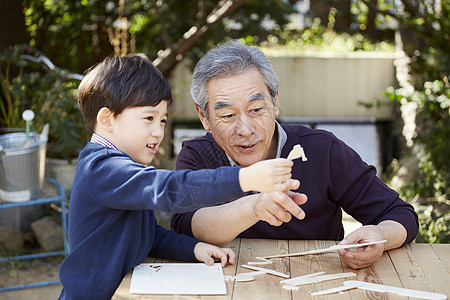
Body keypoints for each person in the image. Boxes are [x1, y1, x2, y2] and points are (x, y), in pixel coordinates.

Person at [58, 55, 297, 299]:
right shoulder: (103, 169)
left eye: (162, 120)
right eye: (149, 118)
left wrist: (193, 248)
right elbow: (170, 189)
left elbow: (146, 235)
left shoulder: (123, 169)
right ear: (107, 119)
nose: (158, 131)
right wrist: (244, 178)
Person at [170, 39, 419, 270]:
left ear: (275, 101)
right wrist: (254, 207)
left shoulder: (322, 149)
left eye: (256, 109)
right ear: (204, 117)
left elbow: (399, 214)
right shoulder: (199, 155)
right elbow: (185, 224)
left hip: (319, 281)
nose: (245, 130)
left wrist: (379, 237)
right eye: (227, 115)